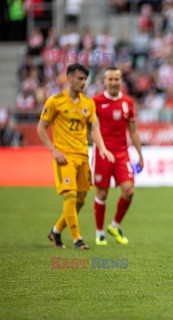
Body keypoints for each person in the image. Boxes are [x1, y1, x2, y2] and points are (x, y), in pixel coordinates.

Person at [37, 63, 114, 250]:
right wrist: (54, 150)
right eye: (80, 78)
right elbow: (41, 129)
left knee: (81, 200)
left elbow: (94, 128)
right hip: (65, 157)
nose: (83, 83)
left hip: (83, 155)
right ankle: (77, 239)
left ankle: (55, 231)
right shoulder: (55, 101)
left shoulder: (88, 103)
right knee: (70, 196)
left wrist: (102, 147)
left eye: (85, 79)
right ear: (69, 77)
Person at [92, 67, 144, 245]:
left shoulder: (127, 102)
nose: (114, 82)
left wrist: (140, 154)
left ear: (121, 81)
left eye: (117, 79)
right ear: (104, 81)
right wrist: (99, 147)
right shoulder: (96, 101)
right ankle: (99, 233)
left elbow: (133, 130)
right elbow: (91, 128)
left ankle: (115, 225)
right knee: (102, 192)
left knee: (129, 190)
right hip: (102, 153)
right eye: (110, 79)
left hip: (122, 153)